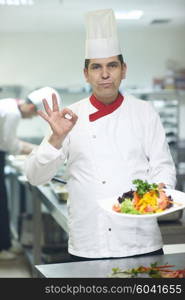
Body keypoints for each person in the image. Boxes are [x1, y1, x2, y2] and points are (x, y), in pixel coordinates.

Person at [25, 9, 176, 262]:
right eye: (96, 67)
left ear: (123, 69)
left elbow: (163, 167)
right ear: (86, 73)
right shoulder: (69, 116)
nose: (104, 74)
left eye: (112, 65)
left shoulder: (144, 111)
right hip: (89, 243)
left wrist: (158, 192)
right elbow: (35, 176)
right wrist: (56, 139)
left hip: (141, 240)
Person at [0, 86, 61, 260]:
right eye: (34, 115)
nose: (31, 117)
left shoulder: (9, 105)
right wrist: (38, 150)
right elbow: (9, 145)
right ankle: (2, 248)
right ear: (33, 108)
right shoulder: (12, 113)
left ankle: (5, 244)